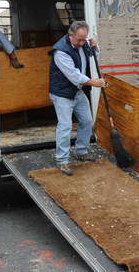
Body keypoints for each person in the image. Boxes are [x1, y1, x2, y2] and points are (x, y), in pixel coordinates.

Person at [49, 21, 106, 176]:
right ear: (70, 35)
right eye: (79, 39)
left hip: (77, 91)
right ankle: (62, 161)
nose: (82, 42)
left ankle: (81, 151)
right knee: (65, 126)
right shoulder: (60, 51)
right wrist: (93, 82)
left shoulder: (83, 43)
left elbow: (94, 57)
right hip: (62, 93)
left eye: (84, 39)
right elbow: (74, 75)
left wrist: (95, 47)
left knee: (87, 120)